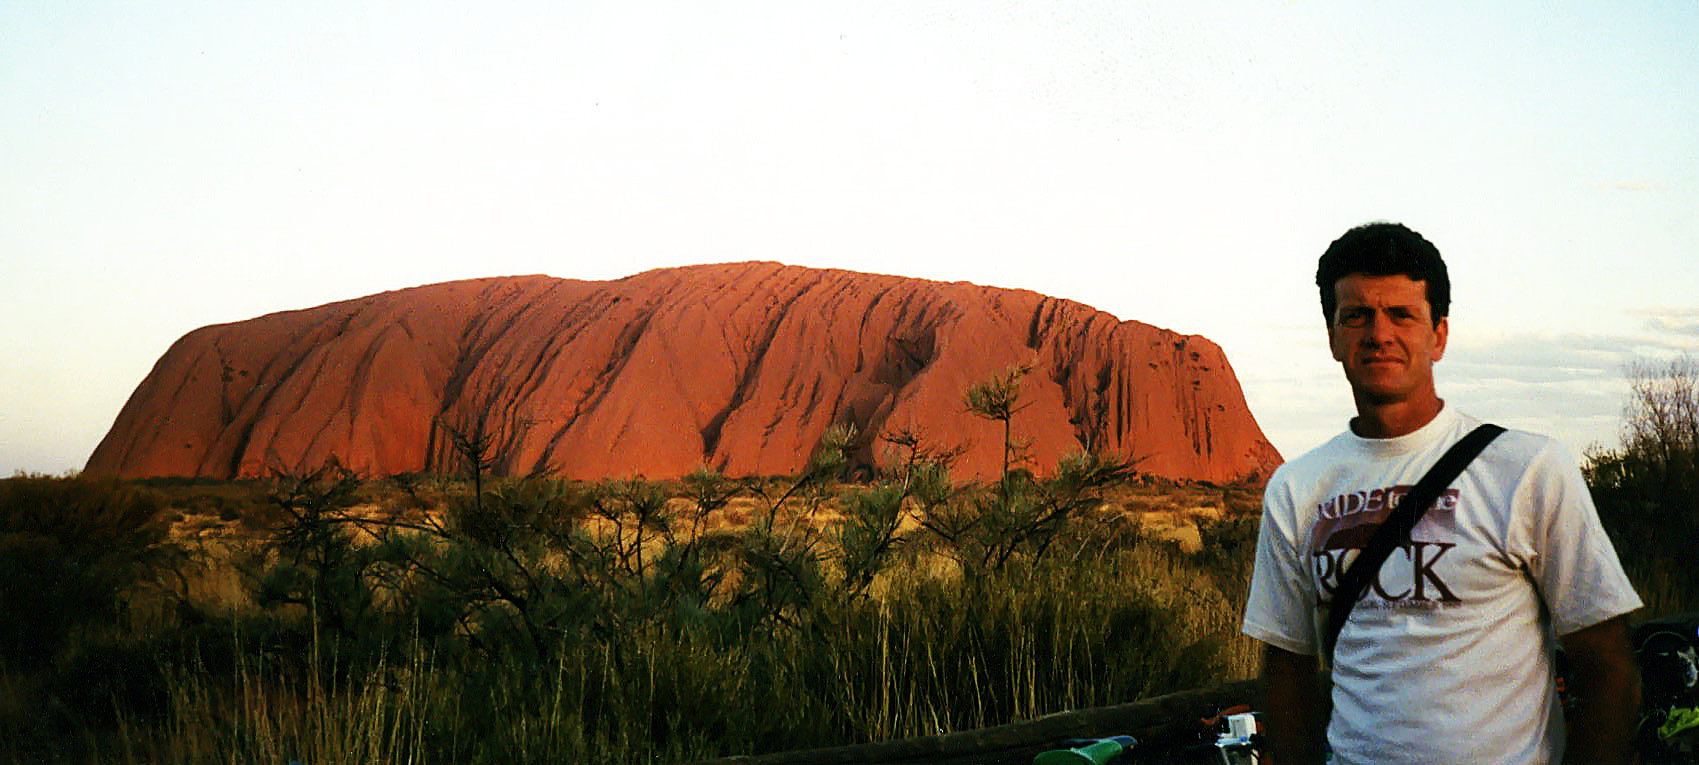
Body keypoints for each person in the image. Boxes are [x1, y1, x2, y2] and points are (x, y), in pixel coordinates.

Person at [1241, 222, 1643, 764]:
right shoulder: (1296, 488)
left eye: (1401, 314)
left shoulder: (1527, 469)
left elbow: (1608, 664)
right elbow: (1287, 671)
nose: (1378, 333)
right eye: (1356, 315)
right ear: (1334, 337)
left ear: (1439, 335)